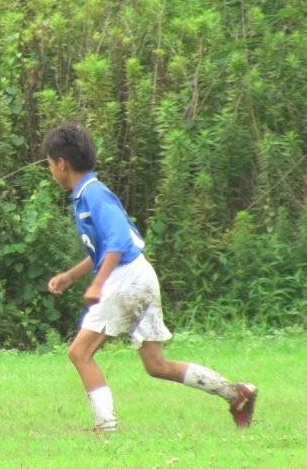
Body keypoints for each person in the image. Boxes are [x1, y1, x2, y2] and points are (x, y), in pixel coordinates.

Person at [43, 122, 257, 431]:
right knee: (157, 365)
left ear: (62, 164)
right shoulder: (87, 194)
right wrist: (70, 277)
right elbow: (105, 247)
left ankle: (106, 427)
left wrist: (99, 283)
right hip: (139, 274)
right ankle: (237, 394)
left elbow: (119, 241)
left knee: (80, 352)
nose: (51, 170)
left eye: (50, 164)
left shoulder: (94, 195)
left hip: (126, 278)